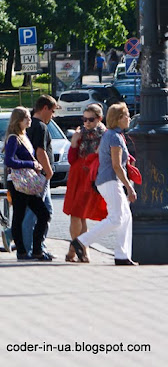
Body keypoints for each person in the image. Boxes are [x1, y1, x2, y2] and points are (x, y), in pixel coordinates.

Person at [71, 103, 138, 266]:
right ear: (118, 119)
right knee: (116, 218)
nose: (129, 118)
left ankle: (122, 255)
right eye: (126, 115)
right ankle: (81, 241)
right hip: (110, 181)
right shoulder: (114, 137)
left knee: (126, 217)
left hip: (108, 181)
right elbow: (116, 165)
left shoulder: (112, 134)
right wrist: (129, 188)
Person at [4, 106, 52, 261]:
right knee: (19, 215)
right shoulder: (13, 138)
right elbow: (9, 161)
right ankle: (22, 251)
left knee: (43, 214)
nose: (30, 120)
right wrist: (31, 164)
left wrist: (35, 165)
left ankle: (36, 249)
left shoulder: (24, 136)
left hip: (27, 182)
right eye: (27, 118)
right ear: (19, 121)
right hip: (18, 183)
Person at [63, 104, 107, 262]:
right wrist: (74, 142)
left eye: (90, 119)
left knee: (78, 214)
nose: (86, 123)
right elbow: (71, 159)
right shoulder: (80, 133)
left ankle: (75, 250)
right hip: (77, 175)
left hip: (90, 176)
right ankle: (81, 250)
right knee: (79, 215)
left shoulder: (104, 135)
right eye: (84, 119)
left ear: (99, 119)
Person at [22, 95, 58, 257]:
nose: (53, 115)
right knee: (35, 213)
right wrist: (48, 171)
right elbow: (40, 151)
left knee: (44, 210)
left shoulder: (27, 125)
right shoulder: (41, 127)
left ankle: (37, 245)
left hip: (29, 173)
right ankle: (30, 248)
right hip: (39, 175)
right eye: (52, 111)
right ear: (44, 108)